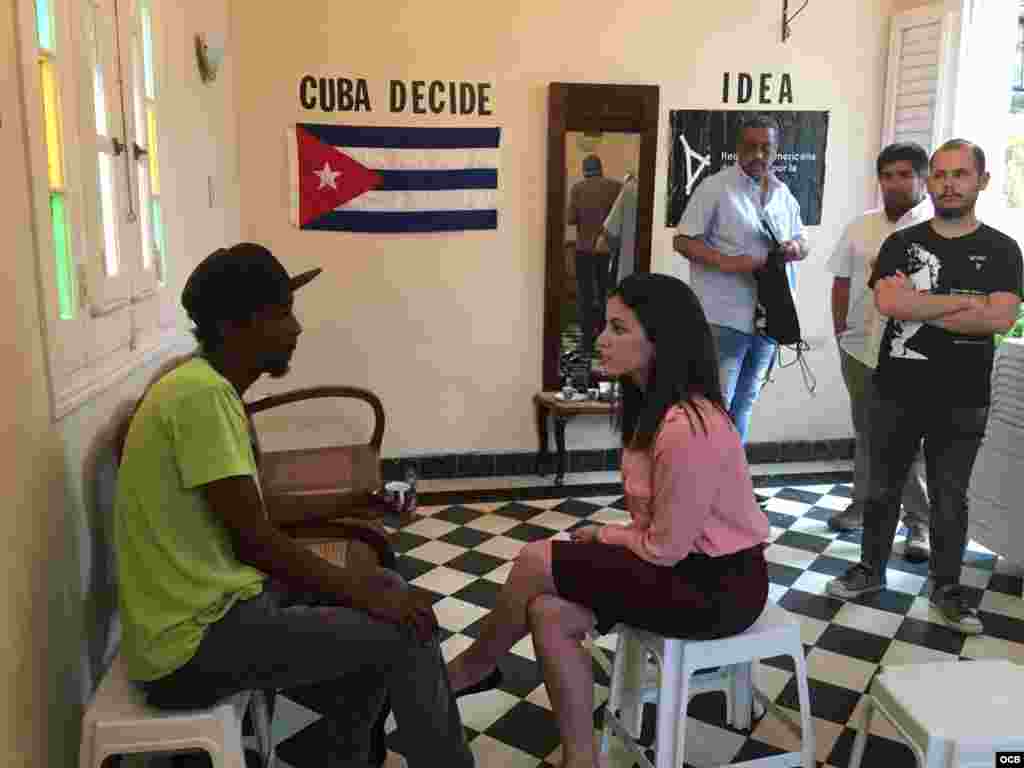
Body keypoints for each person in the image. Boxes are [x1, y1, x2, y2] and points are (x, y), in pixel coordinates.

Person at [114, 243, 473, 768]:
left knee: (390, 591)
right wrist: (360, 593)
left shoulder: (204, 387)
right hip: (191, 647)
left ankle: (345, 757)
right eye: (281, 313)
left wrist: (358, 502)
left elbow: (255, 515)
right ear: (238, 325)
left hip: (219, 608)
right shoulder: (200, 397)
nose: (296, 328)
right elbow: (255, 541)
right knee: (404, 628)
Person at [447, 273, 770, 768]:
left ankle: (475, 665)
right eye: (605, 326)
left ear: (659, 342)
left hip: (718, 587)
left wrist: (604, 535)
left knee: (538, 558)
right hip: (681, 570)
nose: (600, 339)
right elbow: (662, 536)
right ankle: (582, 759)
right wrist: (613, 543)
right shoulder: (652, 411)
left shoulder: (688, 426)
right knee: (547, 614)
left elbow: (665, 548)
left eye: (618, 328)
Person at [826, 141, 1023, 636]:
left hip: (963, 397)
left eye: (960, 174)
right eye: (939, 174)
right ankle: (870, 571)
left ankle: (946, 588)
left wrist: (925, 302)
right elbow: (892, 305)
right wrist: (964, 304)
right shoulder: (901, 243)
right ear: (929, 181)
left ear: (982, 181)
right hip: (894, 388)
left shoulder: (1003, 248)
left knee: (950, 495)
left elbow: (999, 318)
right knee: (881, 487)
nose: (948, 183)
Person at [825, 143, 933, 561]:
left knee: (905, 440)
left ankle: (918, 523)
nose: (895, 182)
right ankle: (862, 503)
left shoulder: (936, 227)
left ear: (922, 178)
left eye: (905, 174)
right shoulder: (861, 226)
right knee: (867, 433)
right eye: (887, 175)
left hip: (909, 351)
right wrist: (839, 330)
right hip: (857, 346)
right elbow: (840, 280)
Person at [674, 114, 808, 443]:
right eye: (751, 147)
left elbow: (805, 241)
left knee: (745, 402)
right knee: (714, 405)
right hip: (724, 317)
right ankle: (707, 485)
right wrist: (730, 263)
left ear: (777, 150)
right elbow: (683, 241)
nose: (759, 154)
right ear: (738, 148)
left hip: (769, 316)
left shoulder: (782, 192)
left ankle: (732, 481)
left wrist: (795, 247)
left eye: (767, 147)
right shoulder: (715, 188)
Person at [568, 154, 622, 381]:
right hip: (605, 251)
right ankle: (604, 336)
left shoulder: (577, 189)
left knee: (585, 294)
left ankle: (587, 343)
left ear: (584, 169)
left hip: (582, 250)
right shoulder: (615, 186)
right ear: (601, 168)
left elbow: (571, 219)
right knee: (604, 294)